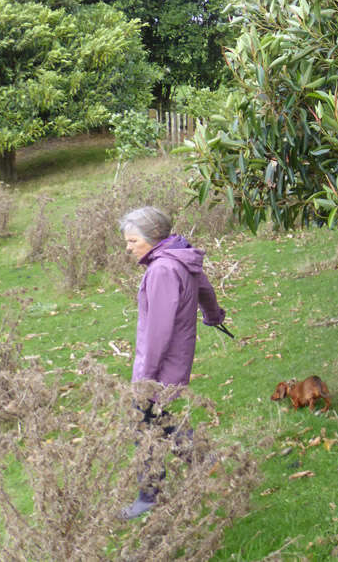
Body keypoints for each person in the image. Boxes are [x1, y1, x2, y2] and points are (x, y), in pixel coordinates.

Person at [118, 206, 226, 519]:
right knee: (156, 417)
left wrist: (145, 380)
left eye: (132, 240)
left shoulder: (162, 270)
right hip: (176, 358)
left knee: (142, 421)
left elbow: (158, 332)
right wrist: (213, 314)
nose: (128, 247)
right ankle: (203, 458)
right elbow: (204, 287)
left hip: (161, 364)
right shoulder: (181, 254)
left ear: (153, 238)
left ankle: (150, 496)